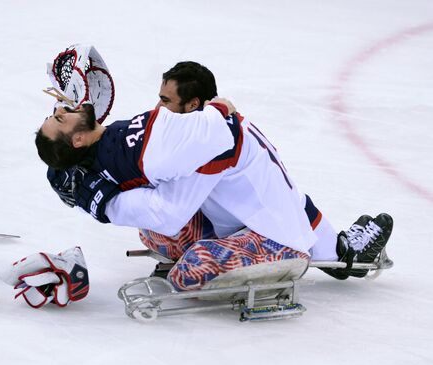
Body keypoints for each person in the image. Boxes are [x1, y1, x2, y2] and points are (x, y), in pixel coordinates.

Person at [40, 61, 393, 286]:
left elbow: (168, 211)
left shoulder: (204, 143)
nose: (157, 109)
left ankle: (328, 254)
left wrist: (102, 202)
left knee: (188, 270)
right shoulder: (192, 132)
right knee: (156, 232)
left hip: (277, 239)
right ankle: (341, 250)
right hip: (250, 217)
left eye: (165, 101)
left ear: (192, 106)